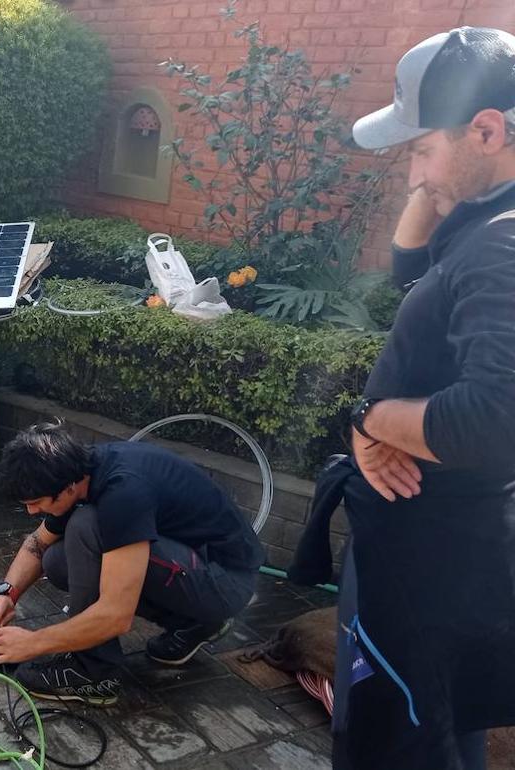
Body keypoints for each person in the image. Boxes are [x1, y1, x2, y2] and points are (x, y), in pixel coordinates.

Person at [333, 26, 515, 770]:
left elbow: (491, 421)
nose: (412, 175)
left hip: (430, 574)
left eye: (420, 148)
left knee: (406, 744)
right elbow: (412, 267)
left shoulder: (502, 246)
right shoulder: (481, 225)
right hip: (429, 558)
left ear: (487, 128)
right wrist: (439, 183)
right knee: (440, 732)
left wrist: (368, 418)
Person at [0, 423, 264, 705]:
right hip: (200, 567)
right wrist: (6, 593)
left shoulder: (123, 493)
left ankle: (93, 672)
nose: (31, 511)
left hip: (226, 581)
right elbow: (38, 544)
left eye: (37, 502)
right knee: (57, 560)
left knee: (85, 527)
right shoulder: (77, 469)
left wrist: (33, 643)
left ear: (67, 487)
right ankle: (195, 624)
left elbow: (117, 615)